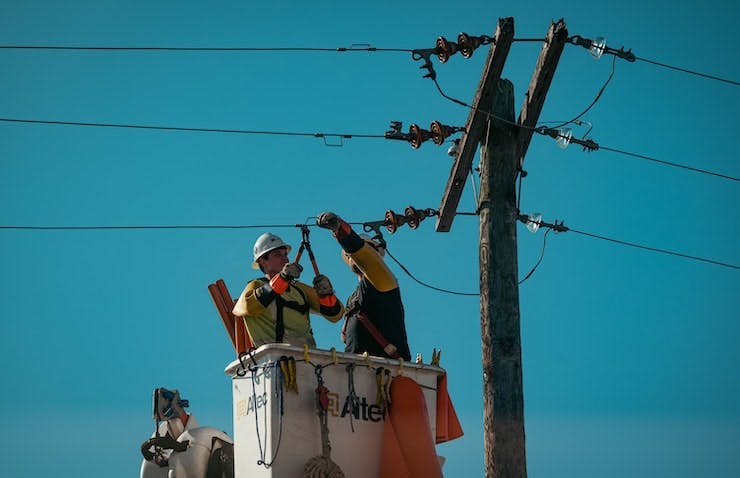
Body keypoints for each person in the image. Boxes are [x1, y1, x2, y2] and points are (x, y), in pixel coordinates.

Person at [317, 211, 411, 361]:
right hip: (354, 371)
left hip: (387, 370)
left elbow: (365, 258)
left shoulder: (385, 281)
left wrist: (340, 229)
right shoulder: (353, 299)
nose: (352, 256)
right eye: (349, 255)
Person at [232, 232, 344, 348]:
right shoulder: (256, 286)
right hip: (274, 357)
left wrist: (327, 295)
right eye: (278, 255)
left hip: (308, 358)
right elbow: (247, 307)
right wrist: (281, 280)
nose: (285, 258)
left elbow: (335, 315)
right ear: (262, 261)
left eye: (285, 254)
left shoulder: (299, 289)